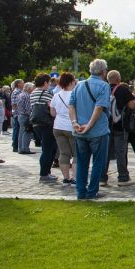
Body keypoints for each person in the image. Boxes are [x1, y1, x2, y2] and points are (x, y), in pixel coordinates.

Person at [68, 59, 111, 200]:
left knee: (81, 162)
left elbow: (71, 105)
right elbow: (99, 107)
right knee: (98, 162)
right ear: (103, 71)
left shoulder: (79, 85)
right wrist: (90, 125)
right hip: (98, 130)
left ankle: (81, 192)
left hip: (79, 130)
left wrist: (74, 122)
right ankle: (92, 192)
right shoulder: (104, 86)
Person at [31, 73, 58, 183]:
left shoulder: (32, 93)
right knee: (48, 149)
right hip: (47, 124)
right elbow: (52, 111)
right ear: (45, 83)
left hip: (36, 123)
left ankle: (46, 171)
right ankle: (44, 174)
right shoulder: (47, 94)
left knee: (49, 148)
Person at [50, 72, 77, 184]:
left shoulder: (56, 95)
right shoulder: (75, 95)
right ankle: (75, 177)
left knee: (64, 153)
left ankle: (66, 177)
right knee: (76, 154)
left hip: (58, 127)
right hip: (71, 126)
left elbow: (52, 113)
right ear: (71, 82)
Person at [15, 81, 35, 154]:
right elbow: (28, 108)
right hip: (25, 116)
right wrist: (32, 116)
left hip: (20, 115)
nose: (33, 89)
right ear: (29, 88)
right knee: (27, 132)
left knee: (21, 132)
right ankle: (25, 148)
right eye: (32, 88)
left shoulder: (20, 95)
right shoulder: (27, 96)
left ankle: (20, 148)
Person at [10, 79, 24, 152]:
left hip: (19, 113)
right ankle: (15, 146)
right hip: (17, 113)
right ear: (18, 84)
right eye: (22, 83)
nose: (23, 84)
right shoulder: (16, 92)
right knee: (17, 130)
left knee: (18, 130)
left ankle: (17, 145)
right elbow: (14, 104)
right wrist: (17, 113)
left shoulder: (20, 91)